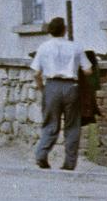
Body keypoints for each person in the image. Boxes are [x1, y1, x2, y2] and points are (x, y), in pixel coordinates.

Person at [31, 16, 92, 171]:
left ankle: (41, 154)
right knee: (72, 126)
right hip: (71, 86)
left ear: (50, 31)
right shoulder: (76, 47)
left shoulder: (44, 47)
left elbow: (36, 73)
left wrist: (42, 89)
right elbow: (88, 70)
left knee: (50, 123)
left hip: (51, 85)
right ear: (65, 30)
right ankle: (69, 163)